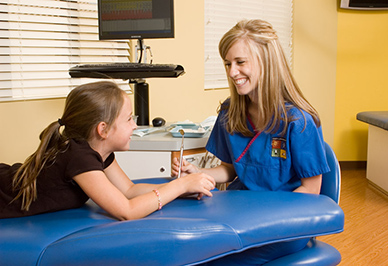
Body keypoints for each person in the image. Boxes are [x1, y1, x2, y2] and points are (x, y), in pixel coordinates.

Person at [172, 19, 330, 265]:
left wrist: (263, 221)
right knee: (188, 247)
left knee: (218, 259)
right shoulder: (230, 111)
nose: (232, 72)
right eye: (228, 64)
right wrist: (200, 174)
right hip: (239, 213)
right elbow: (230, 168)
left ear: (267, 62)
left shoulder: (298, 121)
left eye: (240, 62)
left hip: (284, 223)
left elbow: (311, 191)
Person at [0, 81, 215, 220]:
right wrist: (179, 185)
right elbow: (127, 211)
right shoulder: (79, 157)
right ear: (103, 129)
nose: (135, 126)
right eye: (129, 119)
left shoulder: (99, 152)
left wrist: (180, 189)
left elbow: (129, 190)